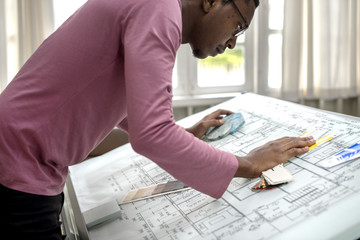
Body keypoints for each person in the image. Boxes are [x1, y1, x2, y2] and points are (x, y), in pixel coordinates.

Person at [0, 0, 315, 239]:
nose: (233, 42)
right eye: (239, 26)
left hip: (17, 155)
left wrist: (186, 132)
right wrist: (248, 164)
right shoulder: (159, 10)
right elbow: (151, 134)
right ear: (211, 2)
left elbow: (128, 104)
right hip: (20, 165)